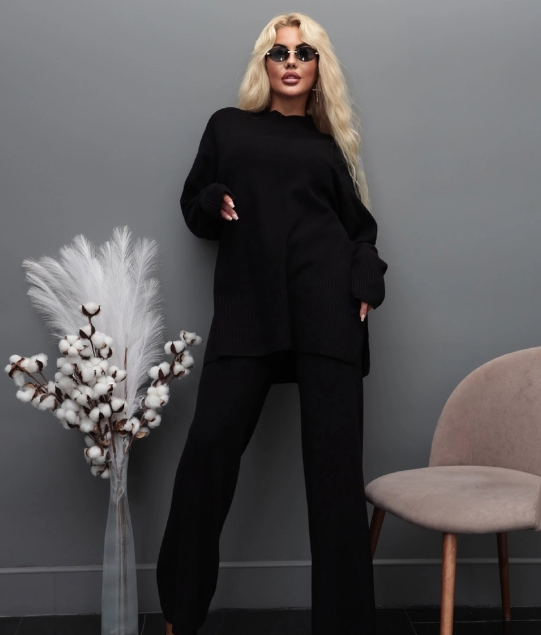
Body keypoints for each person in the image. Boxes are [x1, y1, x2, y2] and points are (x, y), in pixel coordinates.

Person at [156, 11, 388, 635]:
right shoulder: (227, 127)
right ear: (265, 63)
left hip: (327, 310)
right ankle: (179, 615)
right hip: (248, 310)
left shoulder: (328, 146)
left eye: (304, 53)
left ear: (318, 69)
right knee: (207, 456)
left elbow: (360, 232)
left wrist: (366, 276)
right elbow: (193, 207)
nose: (291, 62)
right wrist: (212, 200)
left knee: (335, 481)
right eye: (280, 52)